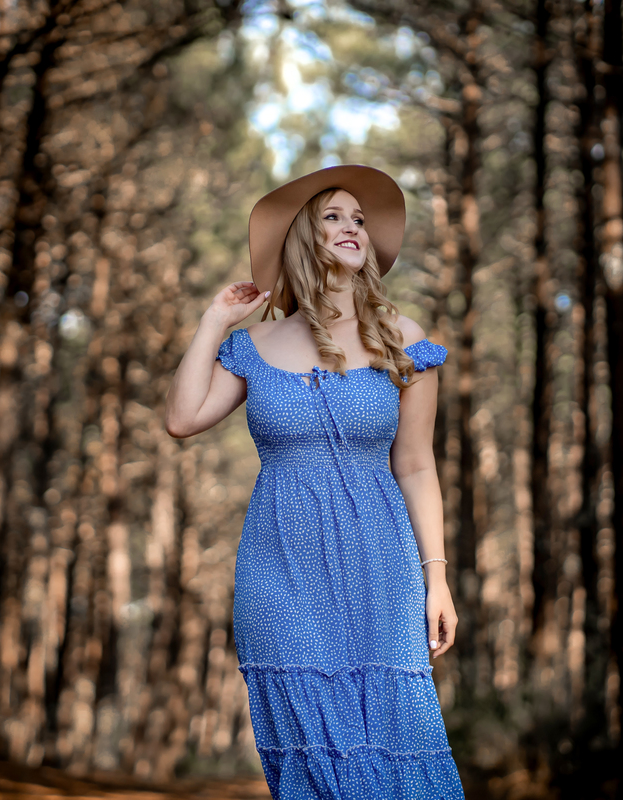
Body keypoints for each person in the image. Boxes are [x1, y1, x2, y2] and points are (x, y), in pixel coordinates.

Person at [164, 165, 465, 799]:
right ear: (305, 235)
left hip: (380, 571)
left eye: (359, 219)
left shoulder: (403, 338)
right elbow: (182, 419)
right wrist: (214, 321)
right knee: (311, 751)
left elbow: (416, 465)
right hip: (280, 571)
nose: (353, 226)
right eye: (334, 216)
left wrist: (436, 579)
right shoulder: (255, 343)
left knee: (394, 739)